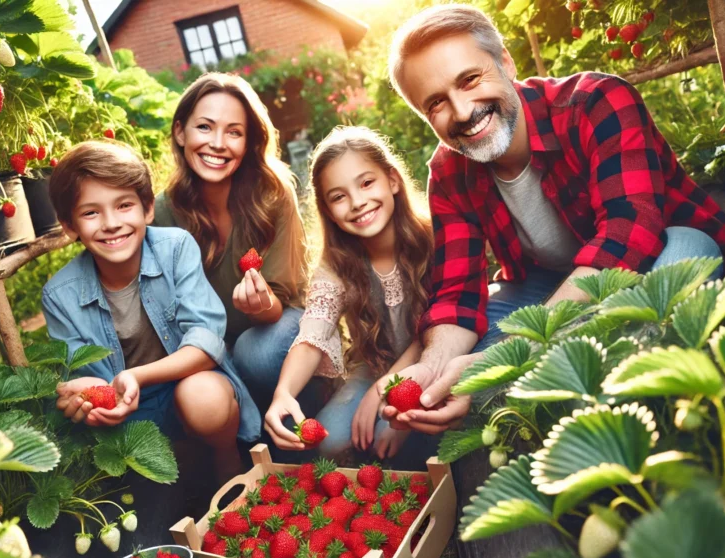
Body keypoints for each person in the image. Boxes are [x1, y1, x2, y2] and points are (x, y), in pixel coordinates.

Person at [380, 4, 725, 434]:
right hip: (553, 281)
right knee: (473, 365)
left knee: (668, 286)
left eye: (470, 79)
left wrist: (514, 351)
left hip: (662, 248)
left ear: (506, 62)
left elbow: (629, 232)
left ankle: (648, 406)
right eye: (436, 103)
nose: (462, 112)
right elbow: (458, 291)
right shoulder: (448, 170)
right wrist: (432, 367)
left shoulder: (596, 101)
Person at [41, 140, 258, 483]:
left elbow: (206, 341)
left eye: (124, 205)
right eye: (91, 212)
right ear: (70, 227)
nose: (111, 223)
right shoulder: (59, 295)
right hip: (126, 408)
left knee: (203, 398)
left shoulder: (175, 248)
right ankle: (169, 471)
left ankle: (225, 456)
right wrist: (84, 394)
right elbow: (80, 370)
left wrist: (138, 376)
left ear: (147, 209)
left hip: (183, 383)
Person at [263, 127, 437, 467]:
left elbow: (437, 329)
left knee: (418, 439)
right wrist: (283, 392)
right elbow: (313, 333)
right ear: (327, 210)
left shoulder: (432, 238)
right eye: (339, 196)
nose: (358, 202)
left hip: (436, 360)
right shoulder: (337, 263)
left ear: (393, 181)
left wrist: (387, 395)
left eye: (367, 183)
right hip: (375, 366)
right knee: (332, 441)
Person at [153, 72, 312, 411]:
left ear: (249, 142)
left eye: (234, 132)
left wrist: (262, 303)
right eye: (205, 127)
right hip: (203, 345)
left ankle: (301, 406)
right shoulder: (162, 212)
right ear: (180, 132)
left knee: (257, 353)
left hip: (271, 331)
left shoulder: (272, 195)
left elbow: (282, 304)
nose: (218, 143)